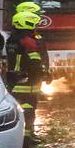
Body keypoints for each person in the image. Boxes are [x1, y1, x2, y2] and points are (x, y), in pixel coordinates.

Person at [6, 9, 49, 137]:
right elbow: (35, 62)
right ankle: (26, 138)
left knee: (18, 110)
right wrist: (44, 73)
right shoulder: (28, 41)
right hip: (28, 81)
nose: (35, 27)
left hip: (14, 80)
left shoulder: (12, 39)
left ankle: (20, 136)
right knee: (29, 109)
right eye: (33, 24)